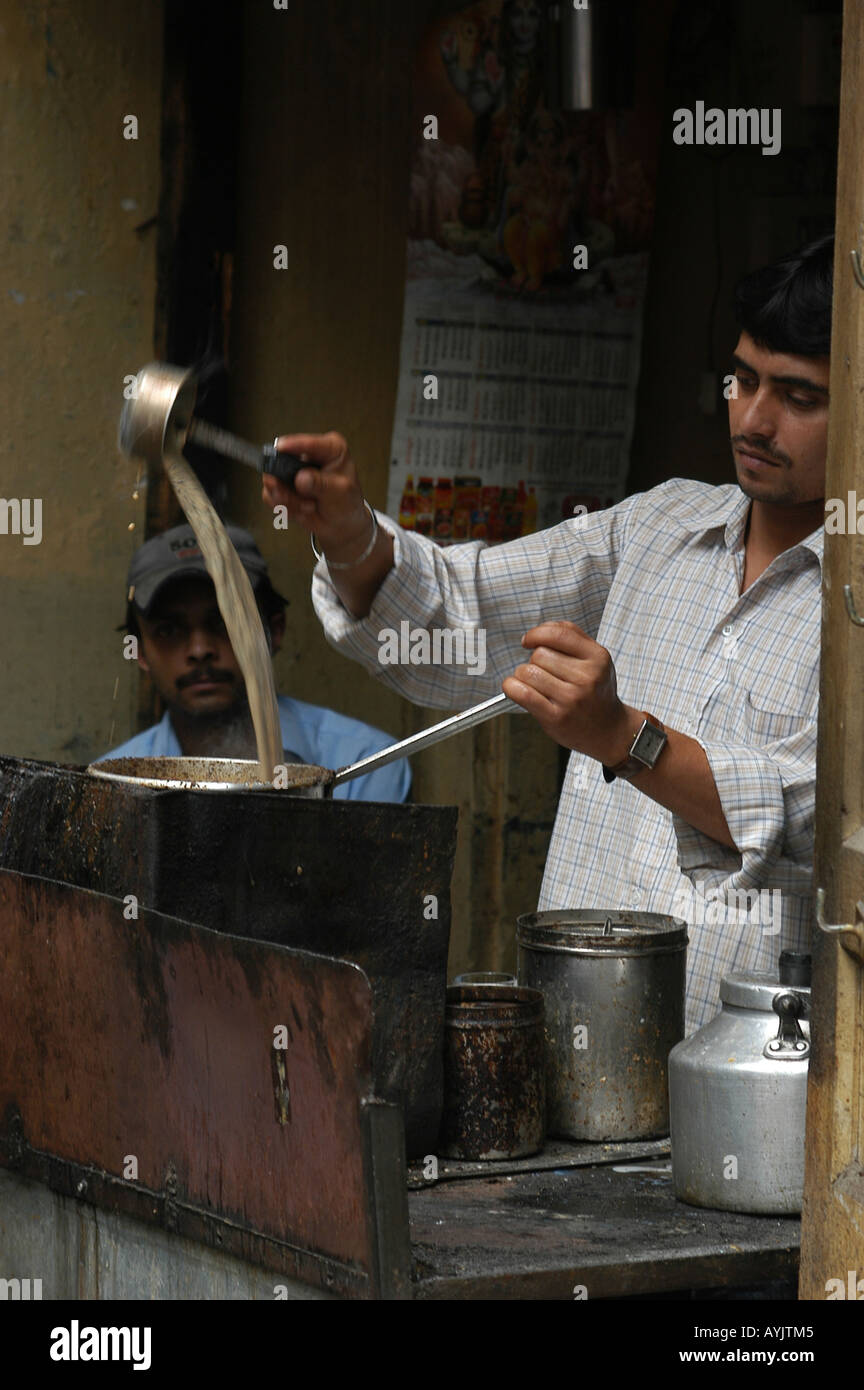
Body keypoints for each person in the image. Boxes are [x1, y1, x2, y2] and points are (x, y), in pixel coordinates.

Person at [262, 234, 832, 1034]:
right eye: (742, 380)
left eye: (800, 398)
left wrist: (623, 737)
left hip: (757, 1092)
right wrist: (354, 536)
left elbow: (819, 819)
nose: (756, 418)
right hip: (571, 1044)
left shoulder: (853, 601)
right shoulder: (659, 524)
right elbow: (467, 613)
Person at [96, 523, 411, 803]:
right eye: (169, 631)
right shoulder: (110, 786)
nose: (200, 649)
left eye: (226, 622)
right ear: (139, 652)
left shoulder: (364, 765)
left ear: (274, 632)